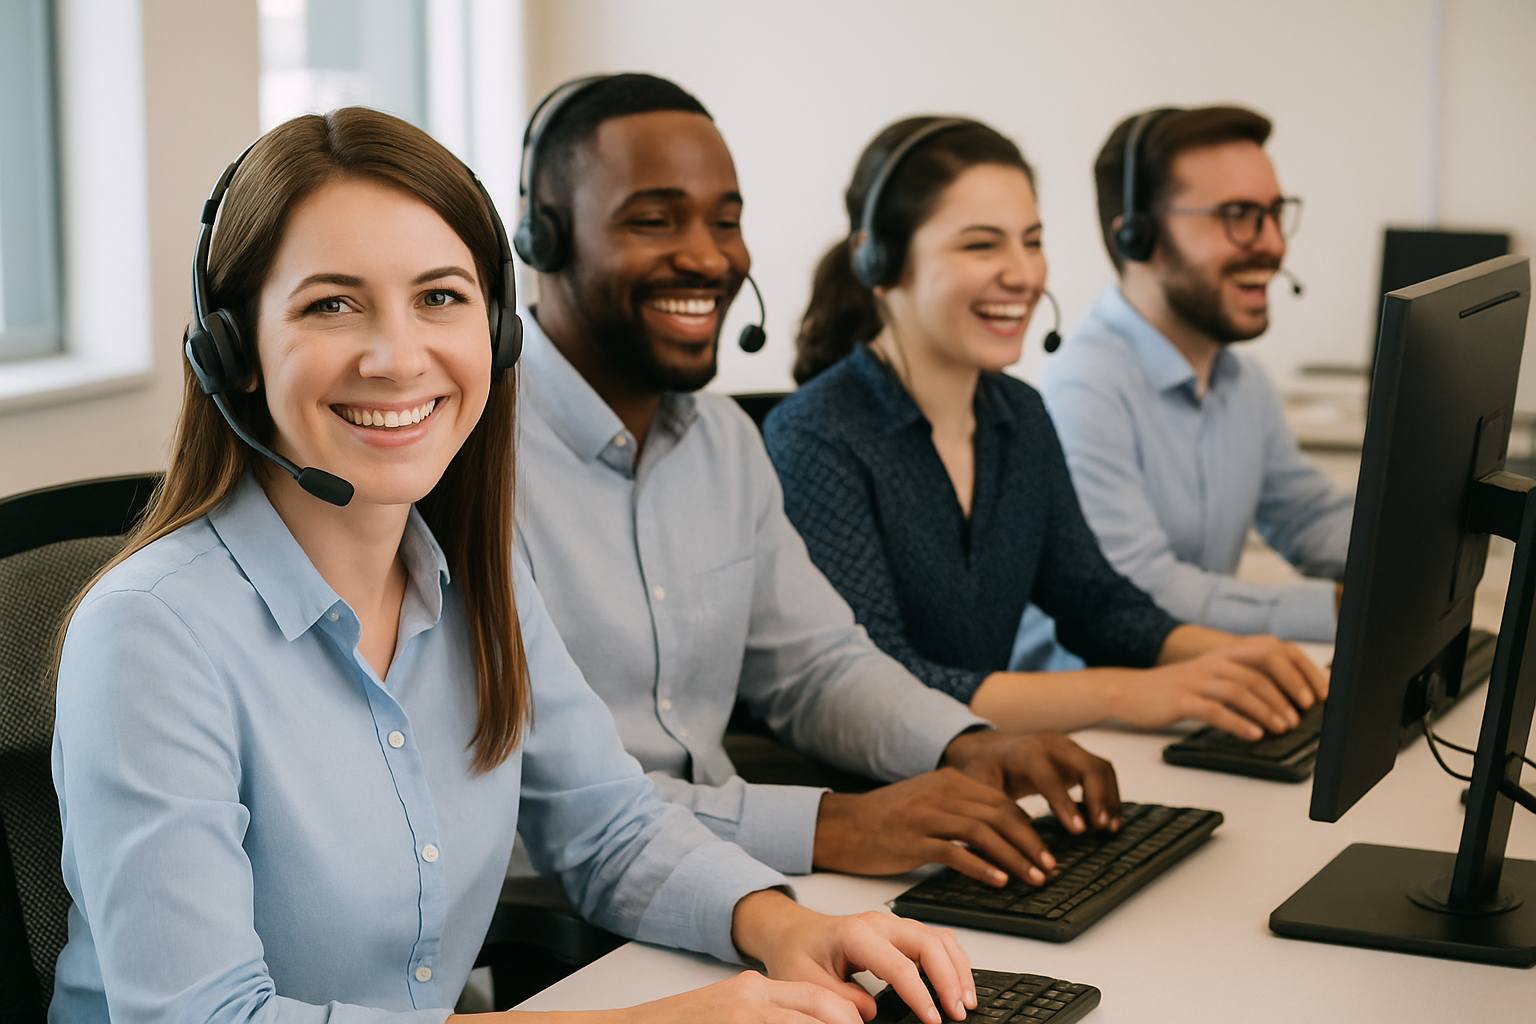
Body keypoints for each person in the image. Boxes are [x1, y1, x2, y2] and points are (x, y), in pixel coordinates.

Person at [49, 107, 981, 1024]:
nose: (397, 355)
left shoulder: (471, 581)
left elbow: (610, 828)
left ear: (495, 336)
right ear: (233, 350)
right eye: (332, 303)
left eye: (440, 297)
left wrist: (783, 927)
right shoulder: (149, 635)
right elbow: (204, 1017)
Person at [513, 73, 1120, 893]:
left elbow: (814, 666)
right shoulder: (470, 458)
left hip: (729, 874)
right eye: (654, 220)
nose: (707, 255)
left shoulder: (722, 440)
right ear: (543, 238)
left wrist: (966, 743)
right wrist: (835, 822)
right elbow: (553, 800)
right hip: (557, 911)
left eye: (726, 222)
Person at [763, 116, 1327, 740]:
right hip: (876, 803)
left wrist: (1227, 656)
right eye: (982, 245)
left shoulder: (1017, 415)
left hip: (987, 776)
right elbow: (877, 682)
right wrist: (1129, 692)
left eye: (1031, 241)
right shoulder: (816, 436)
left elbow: (1098, 604)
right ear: (881, 260)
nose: (1024, 274)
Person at [1034, 105, 1353, 648]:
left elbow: (1309, 519)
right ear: (1138, 236)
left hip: (1201, 688)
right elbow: (1141, 591)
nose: (1273, 244)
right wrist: (1338, 609)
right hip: (1098, 714)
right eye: (1237, 214)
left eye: (1274, 213)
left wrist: (1426, 552)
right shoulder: (1083, 390)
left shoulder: (1242, 382)